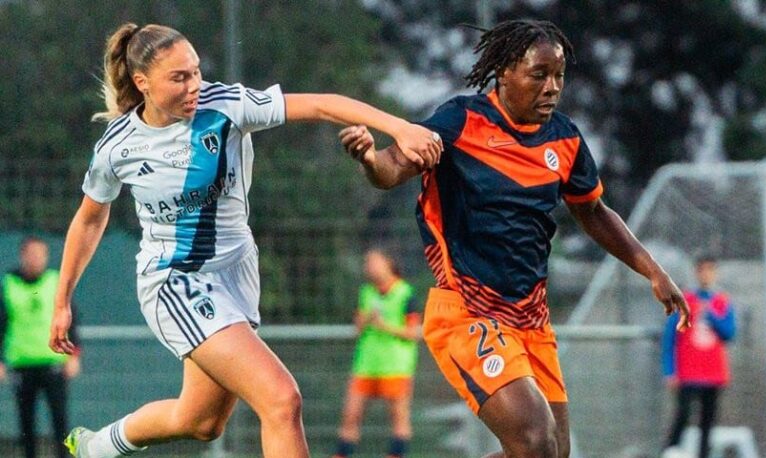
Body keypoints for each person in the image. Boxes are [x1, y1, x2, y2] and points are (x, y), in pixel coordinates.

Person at [48, 22, 442, 458]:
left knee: (200, 422)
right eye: (179, 77)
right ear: (142, 83)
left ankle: (96, 447)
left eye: (196, 72)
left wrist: (399, 128)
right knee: (281, 398)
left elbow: (322, 105)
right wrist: (62, 299)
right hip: (175, 281)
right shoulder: (117, 146)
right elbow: (88, 220)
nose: (195, 85)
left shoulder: (226, 106)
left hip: (237, 273)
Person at [339, 18, 690, 458]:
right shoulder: (461, 121)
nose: (552, 88)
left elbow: (594, 212)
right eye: (539, 75)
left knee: (551, 453)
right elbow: (392, 168)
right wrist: (370, 157)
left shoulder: (564, 139)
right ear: (504, 72)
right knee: (534, 438)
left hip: (532, 321)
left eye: (559, 75)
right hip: (468, 312)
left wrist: (652, 271)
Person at [333, 248, 421, 458]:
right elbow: (358, 326)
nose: (369, 267)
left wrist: (384, 325)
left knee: (399, 418)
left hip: (396, 365)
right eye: (367, 263)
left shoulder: (405, 293)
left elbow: (414, 332)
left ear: (388, 263)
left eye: (374, 262)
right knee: (351, 415)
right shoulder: (367, 292)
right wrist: (366, 319)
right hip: (366, 363)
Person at [0, 236, 81, 458]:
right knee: (26, 422)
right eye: (31, 254)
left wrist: (74, 355)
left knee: (60, 420)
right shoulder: (8, 285)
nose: (36, 259)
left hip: (54, 362)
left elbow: (72, 320)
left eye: (40, 254)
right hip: (22, 363)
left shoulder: (56, 281)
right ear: (22, 255)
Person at [663, 254, 735, 458]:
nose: (706, 274)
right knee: (682, 417)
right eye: (702, 270)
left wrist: (711, 315)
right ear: (697, 272)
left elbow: (729, 333)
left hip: (713, 373)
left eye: (710, 270)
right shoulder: (685, 300)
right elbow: (670, 338)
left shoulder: (721, 301)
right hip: (688, 372)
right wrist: (670, 370)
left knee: (707, 423)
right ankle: (668, 452)